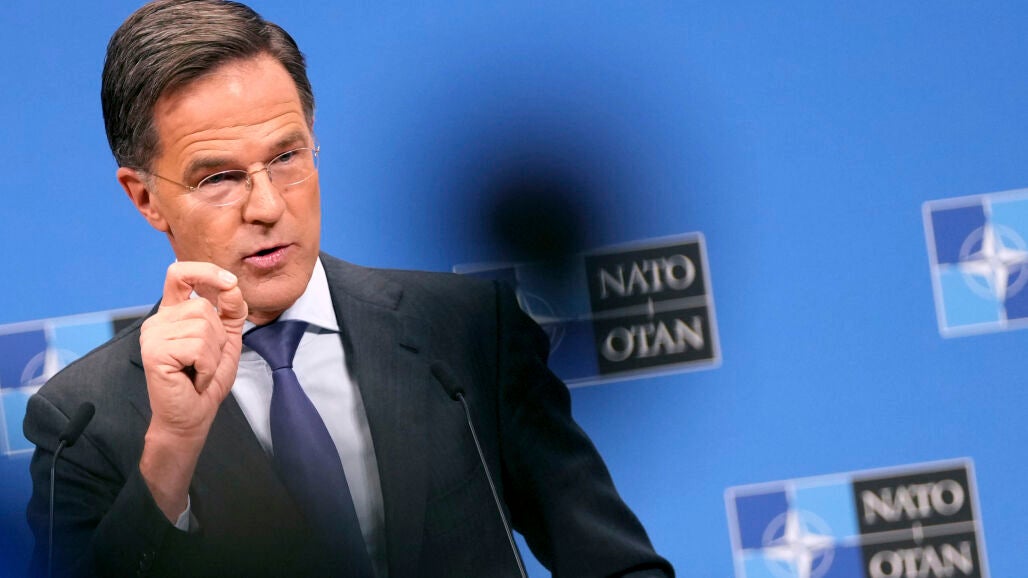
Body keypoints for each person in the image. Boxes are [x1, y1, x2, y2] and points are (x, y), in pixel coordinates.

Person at [23, 1, 674, 576]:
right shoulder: (85, 421)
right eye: (219, 177)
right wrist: (171, 449)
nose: (267, 206)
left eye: (286, 157)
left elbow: (615, 563)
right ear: (144, 198)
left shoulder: (469, 330)